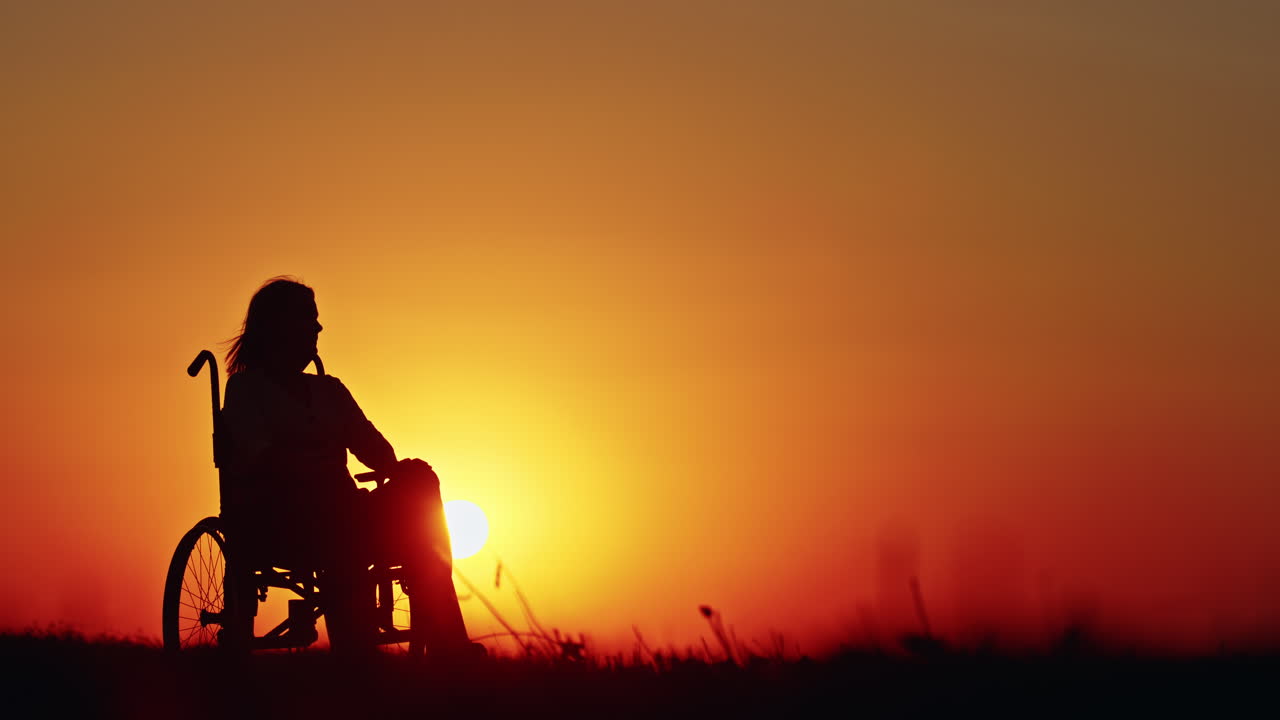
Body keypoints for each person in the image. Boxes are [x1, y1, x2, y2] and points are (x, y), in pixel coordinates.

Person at [218, 276, 474, 658]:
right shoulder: (246, 391)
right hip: (282, 520)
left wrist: (402, 470)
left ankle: (448, 641)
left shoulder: (330, 391)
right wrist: (313, 471)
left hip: (344, 511)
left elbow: (377, 451)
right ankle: (358, 647)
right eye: (309, 318)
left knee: (421, 480)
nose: (318, 328)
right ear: (278, 327)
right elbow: (259, 458)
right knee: (338, 517)